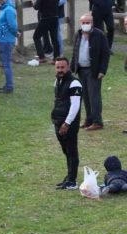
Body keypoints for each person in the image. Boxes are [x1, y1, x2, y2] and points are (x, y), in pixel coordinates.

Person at [71, 14, 110, 132]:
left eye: (88, 22)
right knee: (85, 96)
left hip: (94, 71)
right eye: (83, 23)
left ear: (92, 23)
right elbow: (75, 51)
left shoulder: (99, 35)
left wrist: (102, 71)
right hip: (81, 70)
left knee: (94, 97)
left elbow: (105, 54)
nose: (85, 25)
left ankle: (97, 121)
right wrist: (73, 68)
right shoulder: (78, 34)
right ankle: (89, 119)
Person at [51, 57, 82, 190]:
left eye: (62, 67)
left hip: (68, 124)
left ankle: (72, 181)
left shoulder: (75, 84)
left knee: (71, 151)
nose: (60, 70)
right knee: (66, 151)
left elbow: (75, 106)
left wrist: (67, 123)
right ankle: (69, 177)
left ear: (68, 67)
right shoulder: (57, 81)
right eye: (58, 67)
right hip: (58, 121)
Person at [0, 0, 17, 93]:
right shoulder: (4, 9)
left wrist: (15, 33)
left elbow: (12, 25)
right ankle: (8, 85)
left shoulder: (8, 10)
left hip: (6, 41)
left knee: (7, 64)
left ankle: (9, 86)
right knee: (5, 64)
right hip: (3, 40)